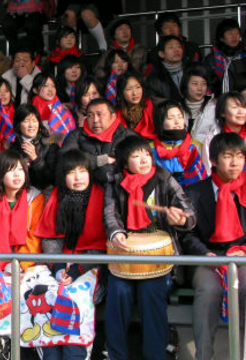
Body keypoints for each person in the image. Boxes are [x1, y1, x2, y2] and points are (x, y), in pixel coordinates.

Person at [103, 135, 195, 360]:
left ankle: (155, 355)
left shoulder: (165, 179)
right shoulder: (115, 182)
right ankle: (115, 354)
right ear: (125, 164)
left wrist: (181, 220)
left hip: (159, 260)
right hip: (125, 257)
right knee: (118, 292)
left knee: (151, 293)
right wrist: (116, 233)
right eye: (136, 156)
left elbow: (190, 214)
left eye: (146, 154)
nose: (144, 160)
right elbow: (110, 213)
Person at [36, 149, 108, 360]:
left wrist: (77, 269)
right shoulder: (56, 196)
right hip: (59, 262)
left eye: (82, 171)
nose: (78, 177)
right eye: (71, 172)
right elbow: (50, 238)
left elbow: (103, 243)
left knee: (76, 296)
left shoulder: (102, 195)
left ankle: (75, 354)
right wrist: (58, 268)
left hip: (92, 263)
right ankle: (50, 352)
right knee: (43, 293)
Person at [182, 132, 246, 360]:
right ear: (214, 160)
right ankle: (204, 356)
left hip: (242, 256)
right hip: (208, 258)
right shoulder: (195, 192)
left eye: (239, 156)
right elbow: (188, 236)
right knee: (209, 291)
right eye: (228, 156)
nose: (235, 162)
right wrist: (205, 254)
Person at [0, 150, 44, 289]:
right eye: (11, 170)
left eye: (20, 169)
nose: (17, 174)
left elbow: (35, 238)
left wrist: (18, 264)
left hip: (27, 265)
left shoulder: (36, 199)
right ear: (0, 176)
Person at [61, 98, 135, 184]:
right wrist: (102, 160)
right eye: (90, 115)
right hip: (84, 188)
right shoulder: (76, 136)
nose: (95, 120)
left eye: (100, 115)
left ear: (113, 116)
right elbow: (66, 160)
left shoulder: (127, 136)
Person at [150, 100, 206, 186]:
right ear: (160, 121)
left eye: (180, 117)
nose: (177, 122)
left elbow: (204, 177)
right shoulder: (150, 149)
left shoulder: (196, 146)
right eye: (171, 118)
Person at [9, 104, 58, 191]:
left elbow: (53, 178)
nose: (31, 125)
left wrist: (36, 159)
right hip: (20, 192)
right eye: (26, 121)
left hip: (44, 192)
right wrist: (22, 166)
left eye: (35, 121)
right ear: (18, 124)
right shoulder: (13, 147)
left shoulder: (50, 145)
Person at [201, 92, 246, 174]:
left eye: (243, 107)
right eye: (235, 107)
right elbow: (208, 170)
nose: (241, 112)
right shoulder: (212, 138)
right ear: (222, 113)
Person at [30, 73, 76, 143]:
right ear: (35, 90)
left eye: (53, 86)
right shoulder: (32, 110)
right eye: (45, 86)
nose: (50, 89)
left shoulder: (59, 104)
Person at [204, 19, 246, 95]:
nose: (234, 37)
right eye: (230, 33)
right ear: (221, 38)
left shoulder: (244, 56)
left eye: (237, 33)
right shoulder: (212, 60)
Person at [182, 64, 217, 148]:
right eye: (195, 84)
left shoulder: (214, 108)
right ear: (186, 85)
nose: (200, 88)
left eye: (203, 84)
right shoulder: (176, 108)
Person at [115, 71, 157, 139]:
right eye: (129, 89)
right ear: (121, 92)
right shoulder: (116, 114)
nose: (134, 93)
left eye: (138, 87)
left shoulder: (152, 106)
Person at [146, 36, 187, 103]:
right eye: (171, 47)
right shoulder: (155, 76)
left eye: (179, 47)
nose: (176, 50)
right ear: (161, 54)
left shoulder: (191, 70)